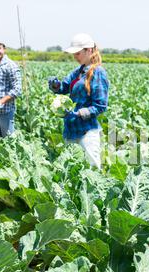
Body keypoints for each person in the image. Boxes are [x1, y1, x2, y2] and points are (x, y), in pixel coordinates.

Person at [48, 33, 109, 170]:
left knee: (92, 170)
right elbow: (64, 87)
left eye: (77, 53)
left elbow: (100, 106)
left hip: (87, 132)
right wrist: (56, 85)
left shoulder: (98, 73)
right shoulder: (78, 71)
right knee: (71, 171)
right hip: (70, 130)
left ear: (89, 50)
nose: (75, 56)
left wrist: (80, 113)